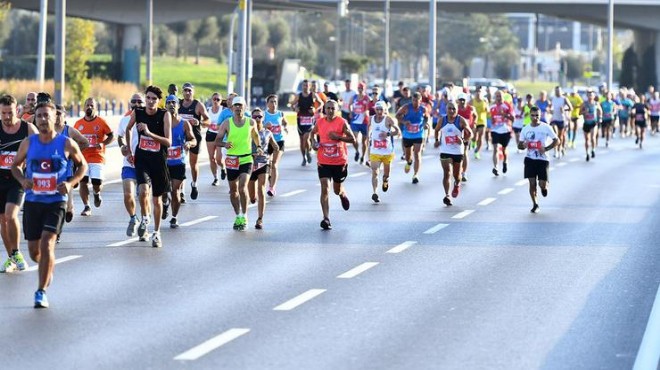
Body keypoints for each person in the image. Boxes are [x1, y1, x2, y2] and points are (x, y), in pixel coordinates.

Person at [11, 100, 88, 308]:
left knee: (47, 243)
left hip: (56, 202)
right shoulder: (28, 143)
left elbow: (83, 165)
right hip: (34, 202)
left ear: (55, 118)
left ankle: (40, 291)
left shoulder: (66, 143)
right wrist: (23, 181)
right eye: (39, 116)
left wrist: (71, 183)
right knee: (35, 252)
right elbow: (15, 166)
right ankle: (47, 267)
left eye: (47, 115)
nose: (43, 119)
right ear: (35, 119)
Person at [125, 85, 172, 248]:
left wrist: (149, 133)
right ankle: (145, 217)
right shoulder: (138, 112)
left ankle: (157, 233)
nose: (150, 101)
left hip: (159, 161)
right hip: (142, 159)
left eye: (154, 99)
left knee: (157, 200)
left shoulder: (165, 115)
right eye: (148, 98)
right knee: (143, 191)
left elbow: (168, 141)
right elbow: (128, 129)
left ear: (159, 102)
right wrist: (129, 150)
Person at [0, 95, 38, 273]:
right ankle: (11, 258)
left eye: (9, 113)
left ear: (17, 110)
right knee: (2, 221)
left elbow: (41, 148)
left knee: (10, 215)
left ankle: (16, 252)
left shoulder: (27, 128)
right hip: (0, 180)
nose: (6, 117)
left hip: (17, 179)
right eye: (3, 113)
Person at [214, 96, 262, 231]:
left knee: (242, 188)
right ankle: (238, 215)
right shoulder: (226, 123)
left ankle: (245, 215)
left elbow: (256, 136)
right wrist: (224, 144)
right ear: (232, 108)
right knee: (233, 191)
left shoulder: (251, 122)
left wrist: (258, 147)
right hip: (231, 160)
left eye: (241, 105)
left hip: (246, 159)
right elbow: (217, 141)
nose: (238, 108)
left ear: (245, 107)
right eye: (236, 106)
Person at [310, 100, 356, 230]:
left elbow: (353, 139)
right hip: (323, 161)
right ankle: (326, 218)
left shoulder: (342, 122)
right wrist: (313, 143)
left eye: (332, 108)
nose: (330, 111)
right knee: (325, 187)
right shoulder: (320, 122)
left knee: (336, 190)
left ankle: (342, 193)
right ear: (324, 109)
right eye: (328, 108)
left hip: (339, 161)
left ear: (337, 110)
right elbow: (312, 134)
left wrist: (338, 137)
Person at [117, 93, 149, 238]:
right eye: (133, 101)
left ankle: (145, 223)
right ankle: (133, 218)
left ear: (145, 103)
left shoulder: (151, 120)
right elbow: (120, 136)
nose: (136, 104)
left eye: (139, 101)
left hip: (146, 164)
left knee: (143, 195)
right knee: (128, 194)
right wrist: (123, 147)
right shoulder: (125, 120)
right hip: (129, 163)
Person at [75, 97, 114, 216]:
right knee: (83, 181)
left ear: (96, 108)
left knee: (97, 182)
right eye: (87, 105)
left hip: (97, 157)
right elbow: (73, 139)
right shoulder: (78, 124)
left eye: (92, 105)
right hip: (83, 158)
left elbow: (111, 136)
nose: (89, 107)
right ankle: (87, 206)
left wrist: (103, 144)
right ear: (84, 107)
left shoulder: (101, 122)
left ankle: (96, 194)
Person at [53, 104, 89, 231]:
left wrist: (74, 154)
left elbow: (85, 142)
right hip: (51, 165)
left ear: (64, 115)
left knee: (66, 186)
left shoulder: (69, 130)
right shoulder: (47, 129)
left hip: (67, 163)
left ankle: (69, 208)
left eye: (59, 114)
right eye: (54, 113)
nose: (56, 117)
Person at [517, 106, 559, 213]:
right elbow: (519, 145)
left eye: (537, 115)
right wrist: (524, 145)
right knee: (532, 183)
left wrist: (546, 149)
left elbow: (557, 140)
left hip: (543, 160)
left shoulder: (546, 127)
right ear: (530, 115)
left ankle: (544, 188)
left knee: (542, 184)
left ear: (540, 116)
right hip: (530, 159)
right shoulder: (525, 129)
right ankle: (535, 204)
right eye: (533, 115)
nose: (535, 117)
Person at [165, 95, 196, 229]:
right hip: (163, 163)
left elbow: (193, 139)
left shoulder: (184, 123)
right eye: (169, 103)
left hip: (178, 162)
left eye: (174, 102)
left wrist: (189, 143)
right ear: (165, 106)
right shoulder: (161, 122)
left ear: (178, 105)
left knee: (175, 191)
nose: (171, 105)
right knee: (163, 191)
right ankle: (165, 203)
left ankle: (174, 217)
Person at [434, 101, 472, 206]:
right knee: (447, 173)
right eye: (449, 108)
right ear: (446, 109)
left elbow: (470, 133)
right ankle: (447, 195)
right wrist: (437, 140)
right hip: (445, 150)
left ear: (457, 110)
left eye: (454, 109)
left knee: (456, 175)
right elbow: (436, 130)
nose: (451, 111)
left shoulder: (461, 120)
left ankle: (457, 184)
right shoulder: (442, 120)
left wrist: (463, 140)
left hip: (457, 151)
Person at [248, 108, 279, 229]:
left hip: (263, 163)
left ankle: (260, 219)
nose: (257, 119)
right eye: (255, 116)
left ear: (263, 118)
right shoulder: (248, 132)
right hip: (249, 164)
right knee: (252, 196)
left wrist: (273, 154)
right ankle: (252, 198)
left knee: (261, 189)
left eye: (259, 117)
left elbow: (276, 146)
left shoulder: (267, 133)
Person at [178, 82, 209, 200]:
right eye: (185, 90)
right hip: (180, 137)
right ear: (182, 92)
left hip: (194, 137)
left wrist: (199, 122)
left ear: (193, 92)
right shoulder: (178, 104)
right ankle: (181, 191)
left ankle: (194, 184)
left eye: (189, 90)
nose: (187, 92)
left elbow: (208, 121)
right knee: (180, 163)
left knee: (193, 163)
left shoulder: (198, 105)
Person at [368, 101, 400, 203]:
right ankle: (375, 192)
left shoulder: (388, 119)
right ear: (375, 109)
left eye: (381, 109)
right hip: (375, 151)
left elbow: (398, 131)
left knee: (386, 174)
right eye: (377, 109)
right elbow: (368, 129)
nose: (379, 111)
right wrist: (368, 138)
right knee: (375, 172)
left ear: (385, 109)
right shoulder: (371, 119)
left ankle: (385, 180)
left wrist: (388, 133)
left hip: (387, 152)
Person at [395, 92, 430, 184]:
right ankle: (409, 162)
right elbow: (397, 115)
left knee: (417, 154)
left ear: (420, 101)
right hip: (408, 135)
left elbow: (427, 118)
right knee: (408, 156)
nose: (415, 103)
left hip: (419, 134)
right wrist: (404, 121)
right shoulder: (406, 107)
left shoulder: (423, 109)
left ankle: (415, 175)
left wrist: (425, 124)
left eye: (417, 101)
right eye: (413, 100)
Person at [291, 80, 321, 166]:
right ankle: (304, 157)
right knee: (302, 141)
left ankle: (308, 152)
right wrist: (294, 109)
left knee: (306, 137)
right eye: (304, 85)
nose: (305, 87)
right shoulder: (298, 95)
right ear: (302, 86)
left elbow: (321, 103)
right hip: (300, 120)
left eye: (307, 85)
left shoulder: (313, 95)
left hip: (310, 119)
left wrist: (315, 109)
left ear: (310, 86)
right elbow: (291, 105)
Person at [263, 94, 289, 197]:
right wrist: (265, 126)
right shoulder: (264, 115)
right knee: (266, 164)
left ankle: (272, 188)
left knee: (274, 164)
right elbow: (258, 127)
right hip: (267, 142)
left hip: (279, 141)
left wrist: (285, 128)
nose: (273, 104)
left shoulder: (280, 114)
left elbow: (285, 123)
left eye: (275, 102)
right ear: (267, 104)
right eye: (271, 102)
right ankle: (270, 177)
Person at [489, 90, 514, 176]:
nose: (499, 98)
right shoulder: (492, 106)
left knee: (504, 150)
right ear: (495, 97)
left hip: (505, 130)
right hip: (495, 130)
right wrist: (489, 125)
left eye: (500, 96)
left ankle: (505, 162)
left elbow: (513, 118)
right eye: (497, 96)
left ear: (503, 97)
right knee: (495, 148)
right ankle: (496, 167)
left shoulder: (507, 106)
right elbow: (489, 119)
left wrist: (505, 115)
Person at [205, 92, 225, 186]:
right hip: (210, 134)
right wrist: (206, 124)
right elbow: (203, 122)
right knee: (211, 158)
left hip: (220, 135)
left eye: (218, 99)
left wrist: (220, 126)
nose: (216, 101)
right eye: (214, 99)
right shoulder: (208, 110)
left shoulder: (223, 110)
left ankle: (223, 167)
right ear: (211, 100)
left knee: (218, 159)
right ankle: (216, 178)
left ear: (221, 101)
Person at [349, 82, 371, 165]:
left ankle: (363, 156)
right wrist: (351, 111)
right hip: (355, 121)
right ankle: (357, 151)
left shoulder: (367, 98)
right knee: (354, 138)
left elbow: (371, 107)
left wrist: (367, 112)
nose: (360, 89)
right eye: (359, 88)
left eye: (361, 88)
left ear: (364, 89)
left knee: (364, 142)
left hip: (364, 122)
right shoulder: (354, 97)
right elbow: (350, 105)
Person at [456, 93, 476, 182]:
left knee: (464, 153)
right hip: (457, 134)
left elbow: (475, 115)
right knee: (456, 153)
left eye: (463, 100)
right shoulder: (455, 109)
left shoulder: (471, 108)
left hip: (467, 134)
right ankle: (457, 170)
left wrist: (474, 123)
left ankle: (464, 173)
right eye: (460, 100)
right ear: (458, 101)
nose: (462, 101)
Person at [549, 86, 572, 157]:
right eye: (556, 91)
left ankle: (560, 149)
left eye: (558, 91)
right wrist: (550, 111)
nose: (557, 92)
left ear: (561, 91)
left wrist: (564, 110)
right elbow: (550, 108)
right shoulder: (553, 99)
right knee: (555, 135)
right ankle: (555, 151)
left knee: (560, 136)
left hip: (562, 120)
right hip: (554, 119)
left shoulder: (564, 99)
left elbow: (571, 108)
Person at [580, 90, 602, 161]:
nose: (590, 97)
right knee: (587, 140)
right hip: (586, 123)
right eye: (589, 95)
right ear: (587, 96)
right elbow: (579, 113)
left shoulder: (596, 103)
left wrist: (600, 118)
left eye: (591, 95)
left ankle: (593, 150)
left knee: (593, 138)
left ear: (594, 96)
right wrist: (584, 112)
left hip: (593, 123)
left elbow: (600, 111)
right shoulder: (584, 104)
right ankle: (587, 153)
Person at [472, 88, 489, 159]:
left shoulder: (484, 100)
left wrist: (487, 108)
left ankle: (477, 151)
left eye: (479, 92)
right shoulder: (472, 101)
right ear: (475, 93)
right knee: (474, 136)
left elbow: (488, 111)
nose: (478, 93)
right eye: (477, 92)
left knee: (480, 136)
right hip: (474, 121)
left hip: (482, 121)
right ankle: (473, 142)